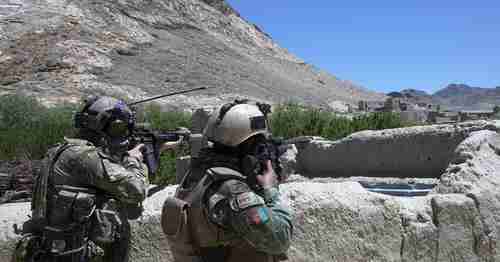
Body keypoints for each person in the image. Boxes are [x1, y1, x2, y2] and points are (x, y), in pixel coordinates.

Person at [12, 96, 180, 262]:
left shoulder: (64, 150)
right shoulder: (85, 156)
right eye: (119, 129)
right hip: (74, 254)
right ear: (106, 127)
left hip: (54, 250)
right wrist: (134, 160)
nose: (123, 136)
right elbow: (136, 191)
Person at [161, 100, 293, 262]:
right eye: (258, 144)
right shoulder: (233, 191)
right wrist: (270, 190)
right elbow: (279, 240)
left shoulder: (199, 174)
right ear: (247, 145)